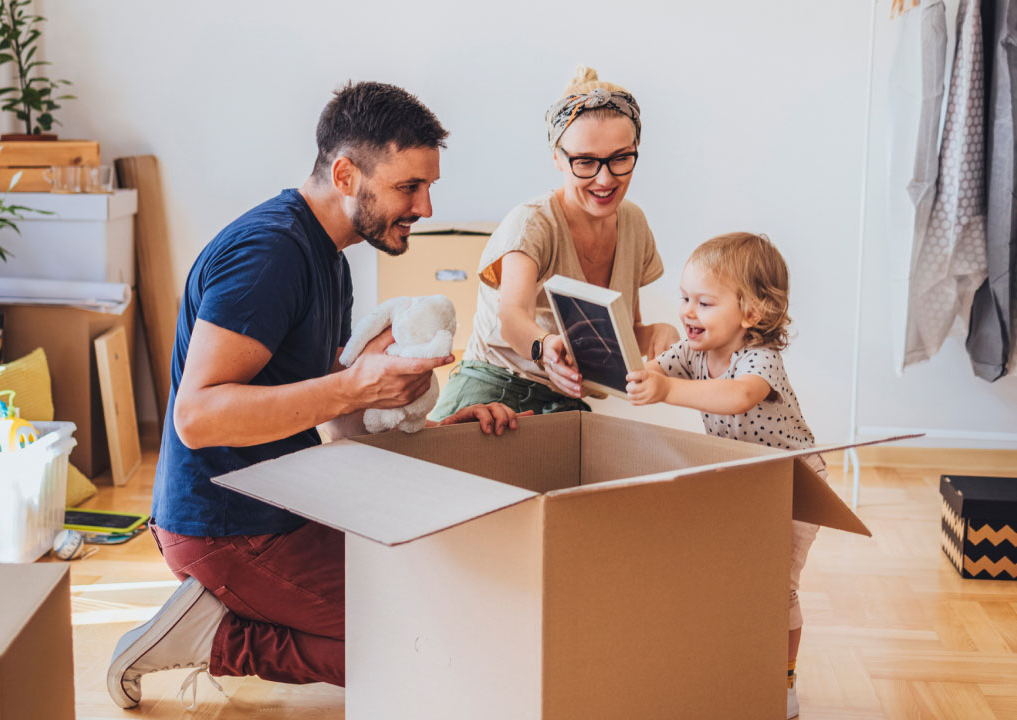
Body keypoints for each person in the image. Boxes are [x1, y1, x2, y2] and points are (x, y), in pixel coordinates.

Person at [106, 81, 525, 709]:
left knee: (446, 607)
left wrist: (440, 429)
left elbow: (327, 403)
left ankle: (227, 615)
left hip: (284, 501)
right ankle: (215, 636)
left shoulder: (327, 254)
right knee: (431, 641)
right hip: (226, 526)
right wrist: (351, 384)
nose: (427, 207)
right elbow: (197, 417)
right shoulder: (270, 253)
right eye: (410, 187)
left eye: (428, 186)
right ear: (346, 173)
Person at [625, 232, 820, 720]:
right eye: (685, 298)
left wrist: (666, 389)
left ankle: (784, 680)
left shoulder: (759, 359)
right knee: (734, 577)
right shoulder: (693, 354)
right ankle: (735, 664)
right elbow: (648, 370)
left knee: (777, 588)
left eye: (705, 302)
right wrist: (626, 365)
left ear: (750, 314)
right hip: (745, 484)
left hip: (792, 484)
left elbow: (737, 397)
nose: (689, 312)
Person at [431, 66, 678, 419]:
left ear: (636, 149)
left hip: (563, 405)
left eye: (620, 158)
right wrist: (545, 346)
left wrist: (658, 333)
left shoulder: (634, 224)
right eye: (585, 162)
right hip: (494, 390)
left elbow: (622, 333)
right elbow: (513, 318)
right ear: (557, 157)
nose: (605, 178)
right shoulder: (533, 222)